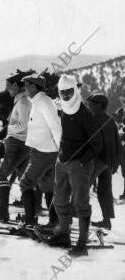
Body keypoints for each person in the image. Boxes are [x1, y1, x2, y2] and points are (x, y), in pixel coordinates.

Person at [47, 75, 103, 257]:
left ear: (76, 91)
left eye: (69, 92)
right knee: (60, 199)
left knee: (80, 203)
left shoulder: (85, 114)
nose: (65, 95)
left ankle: (82, 244)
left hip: (79, 165)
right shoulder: (63, 109)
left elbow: (97, 144)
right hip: (62, 162)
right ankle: (64, 234)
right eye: (62, 92)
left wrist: (81, 160)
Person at [0, 70, 33, 222]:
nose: (7, 89)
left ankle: (3, 212)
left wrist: (5, 129)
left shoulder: (24, 103)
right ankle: (30, 216)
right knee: (24, 180)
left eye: (8, 86)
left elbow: (24, 125)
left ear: (15, 85)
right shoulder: (21, 101)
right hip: (21, 143)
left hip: (18, 143)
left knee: (0, 175)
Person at [17, 74, 61, 227]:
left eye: (27, 85)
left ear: (35, 87)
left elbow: (55, 126)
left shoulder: (43, 102)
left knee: (25, 183)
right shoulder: (39, 101)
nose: (25, 88)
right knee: (48, 186)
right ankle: (54, 221)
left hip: (44, 152)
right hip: (45, 151)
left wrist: (61, 149)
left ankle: (29, 221)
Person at [87, 92, 122, 230]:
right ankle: (106, 221)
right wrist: (115, 162)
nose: (89, 105)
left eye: (91, 103)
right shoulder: (110, 120)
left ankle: (71, 216)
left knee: (82, 188)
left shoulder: (93, 119)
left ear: (99, 105)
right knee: (105, 191)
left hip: (97, 161)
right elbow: (117, 143)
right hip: (108, 162)